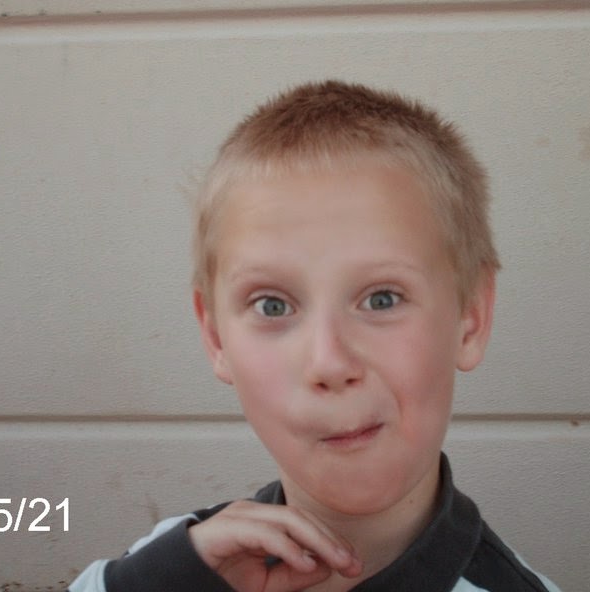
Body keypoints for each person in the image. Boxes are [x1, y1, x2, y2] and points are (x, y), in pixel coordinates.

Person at [68, 80, 561, 592]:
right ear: (215, 337)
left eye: (382, 299)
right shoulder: (174, 565)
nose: (329, 362)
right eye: (273, 306)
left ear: (471, 316)